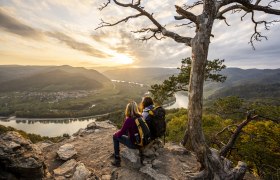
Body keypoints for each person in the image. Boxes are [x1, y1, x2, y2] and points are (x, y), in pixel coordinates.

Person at [112, 101, 140, 167]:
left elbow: (121, 133)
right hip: (141, 141)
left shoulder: (129, 120)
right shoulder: (140, 116)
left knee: (114, 136)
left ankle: (117, 159)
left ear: (128, 109)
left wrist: (116, 133)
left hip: (134, 144)